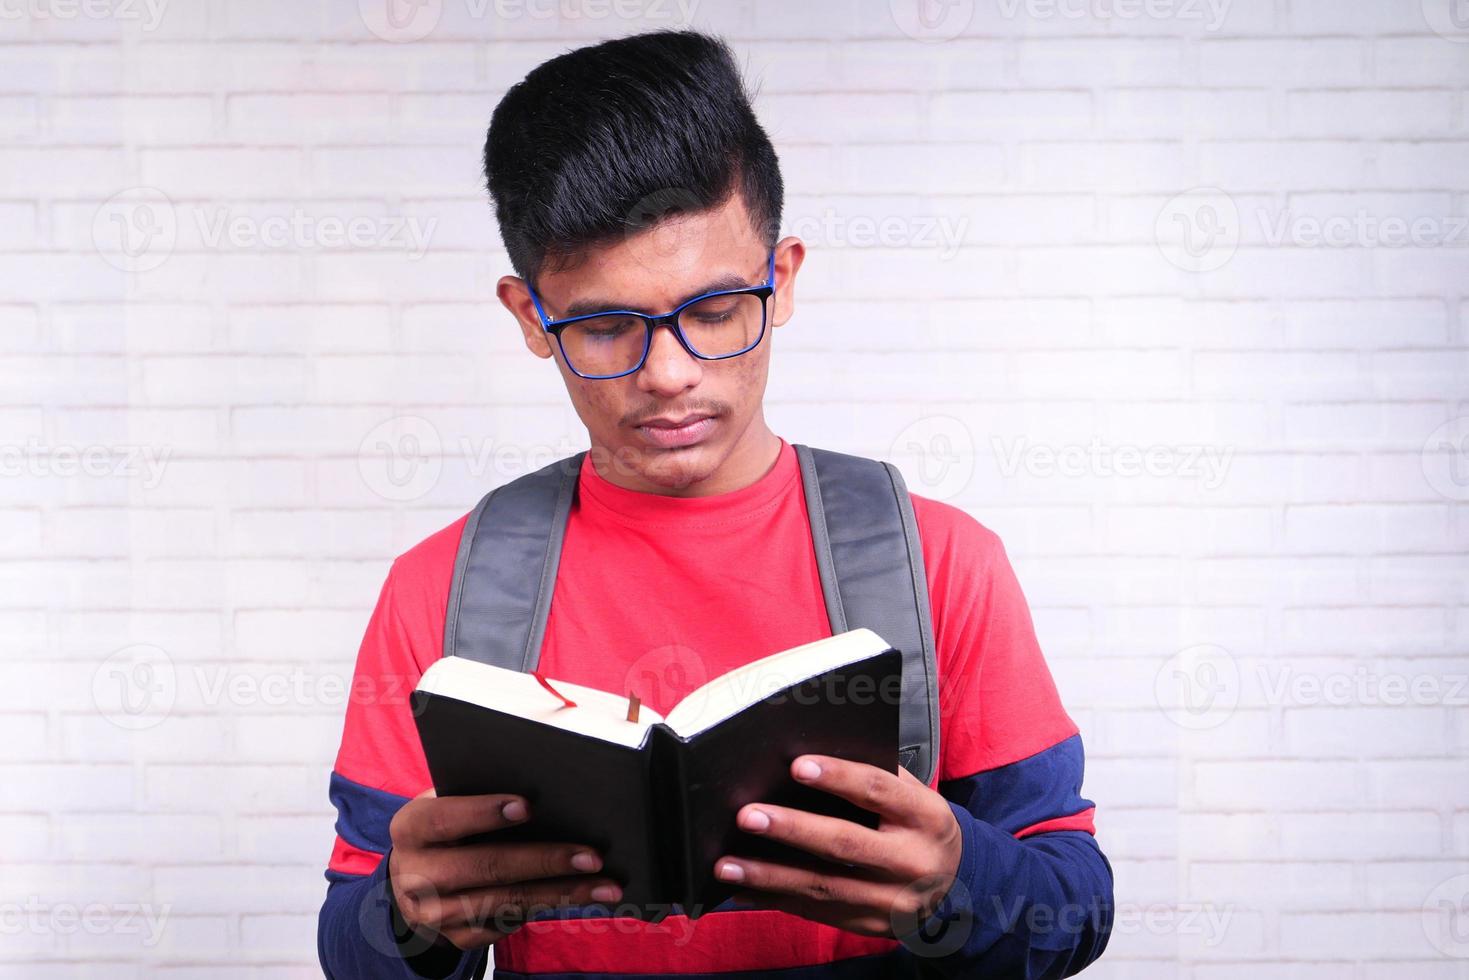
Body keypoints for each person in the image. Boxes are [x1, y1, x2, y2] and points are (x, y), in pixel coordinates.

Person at [317, 29, 1113, 979]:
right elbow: (353, 944)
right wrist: (410, 920)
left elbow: (1075, 906)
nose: (669, 374)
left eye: (713, 311)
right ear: (531, 317)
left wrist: (959, 881)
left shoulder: (938, 561)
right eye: (605, 325)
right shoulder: (438, 589)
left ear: (780, 283)